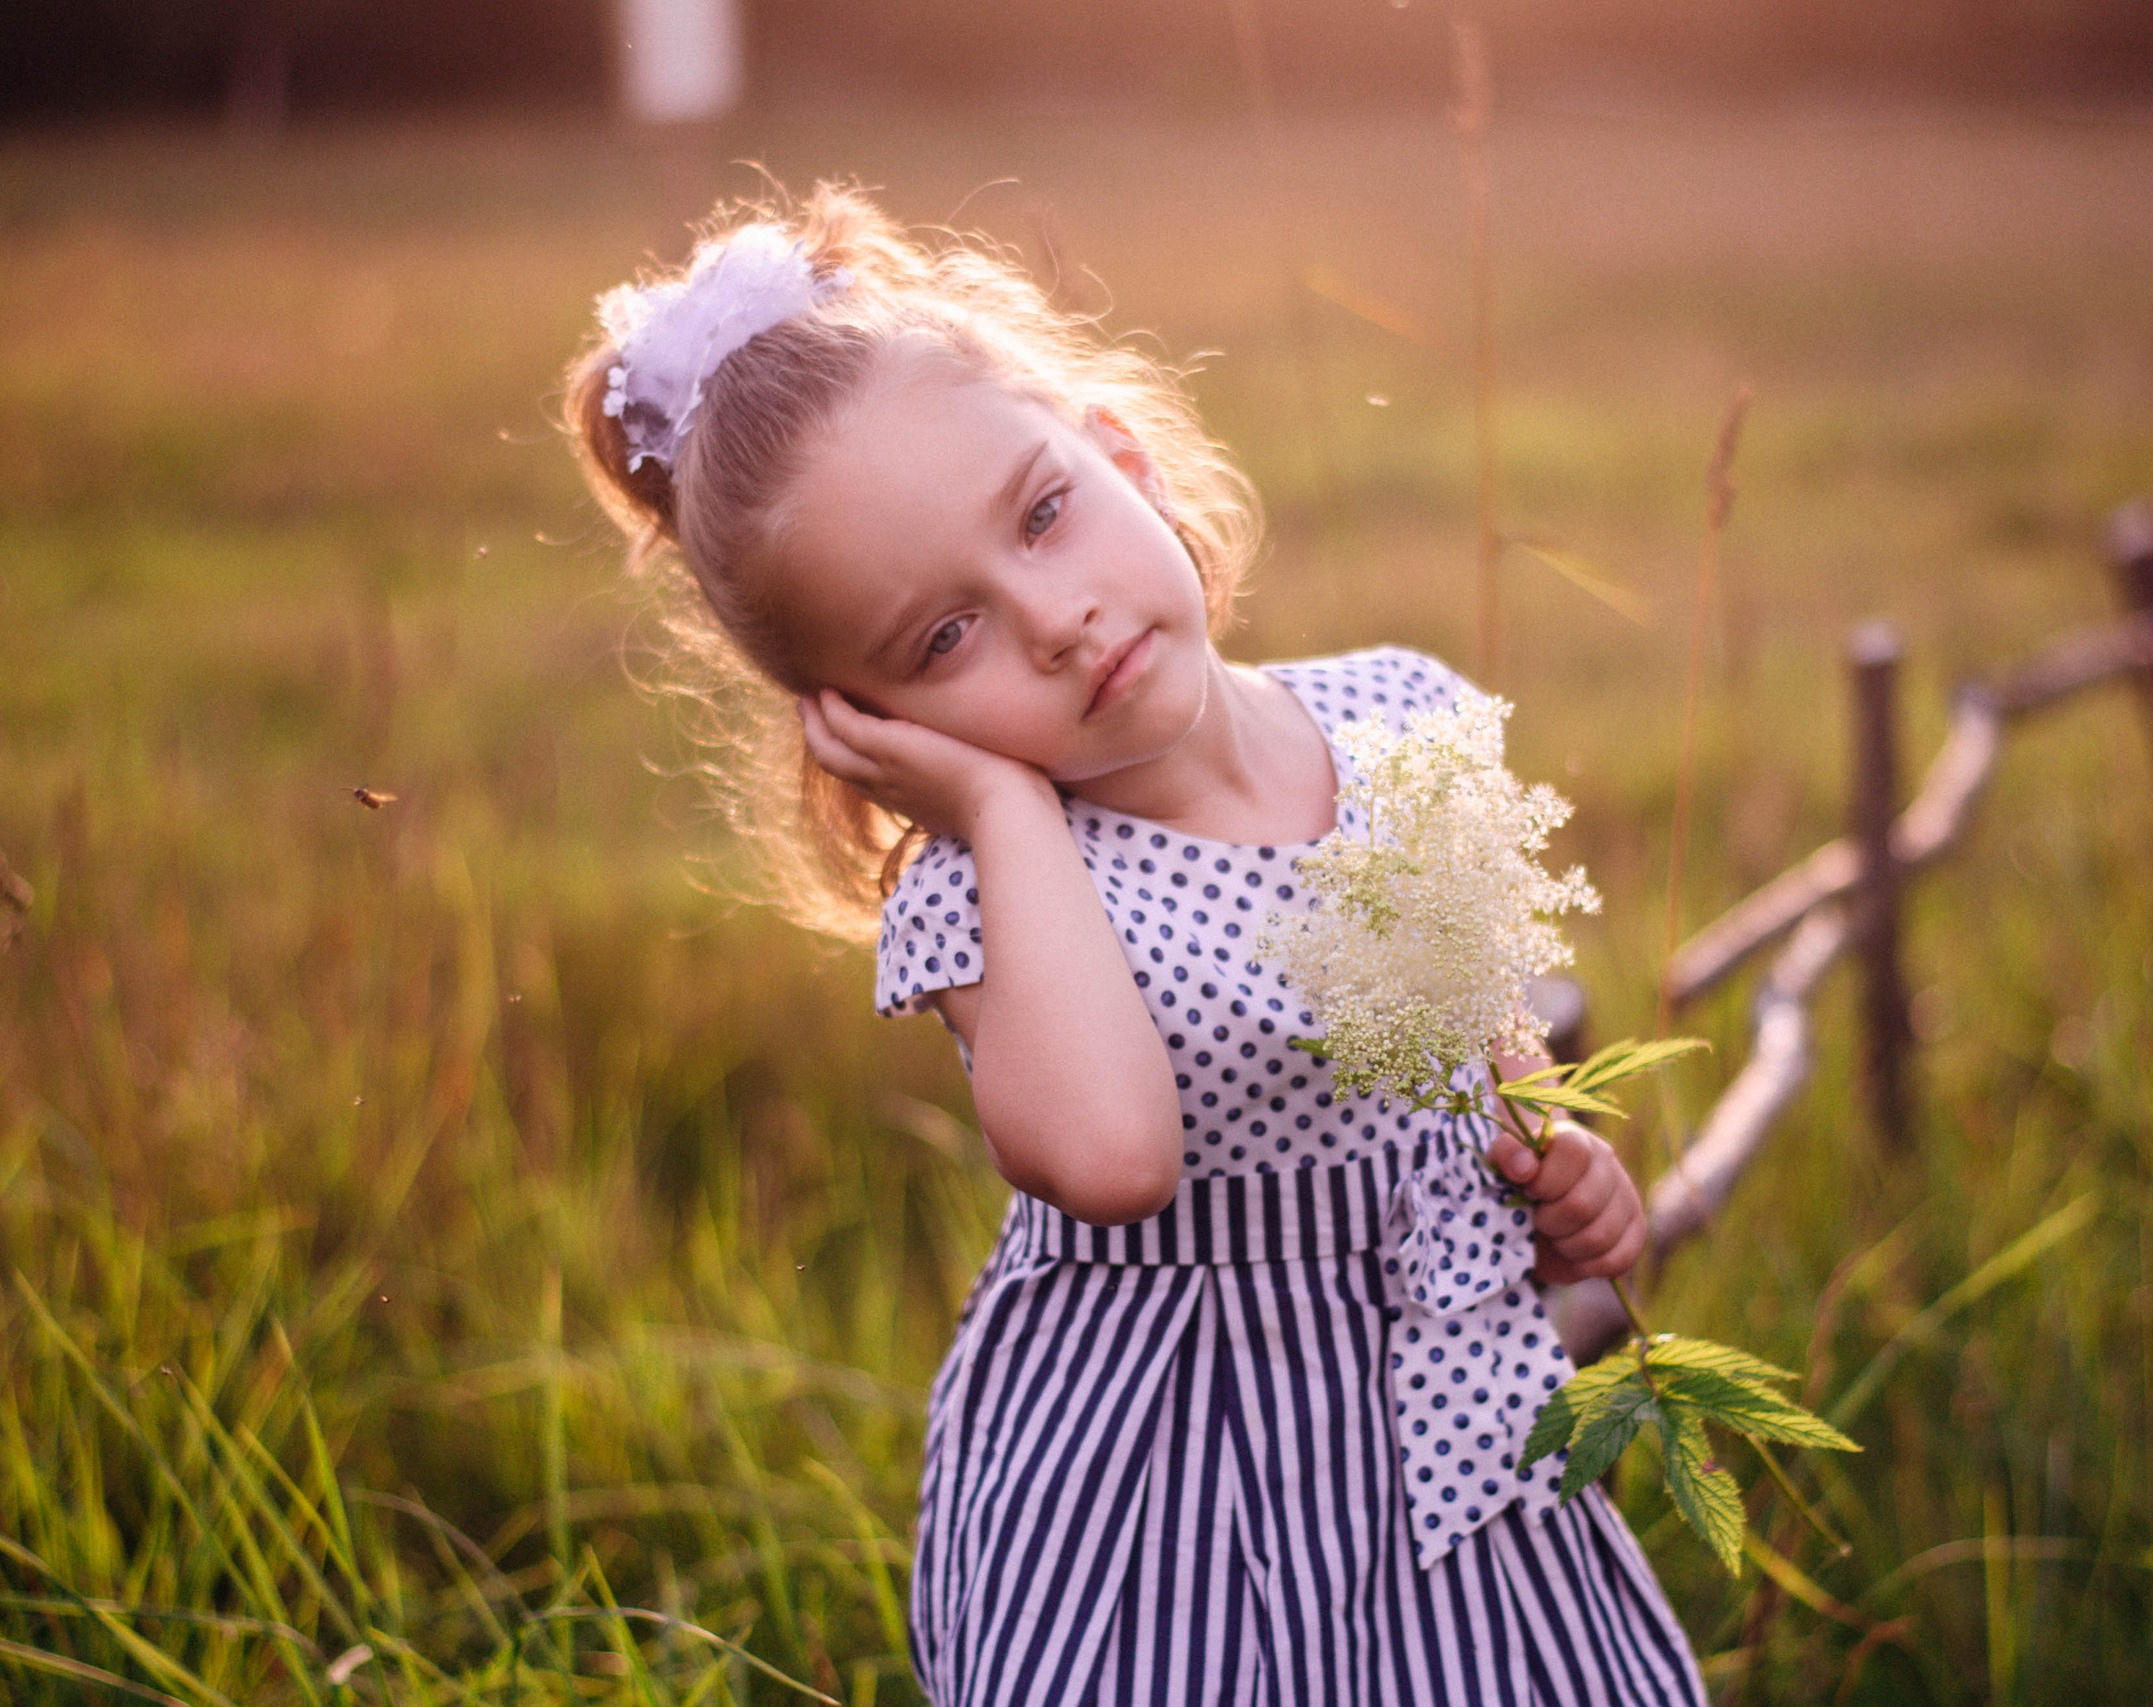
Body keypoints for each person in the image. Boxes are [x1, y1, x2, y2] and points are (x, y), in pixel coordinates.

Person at [564, 183, 1705, 1707]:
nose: (1051, 618)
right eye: (940, 641)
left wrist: (1568, 1179)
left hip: (1453, 1458)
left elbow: (1487, 1052)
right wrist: (994, 806)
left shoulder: (1403, 714)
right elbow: (1110, 1159)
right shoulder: (989, 898)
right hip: (1171, 1507)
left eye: (1042, 514)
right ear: (872, 730)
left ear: (1123, 455)